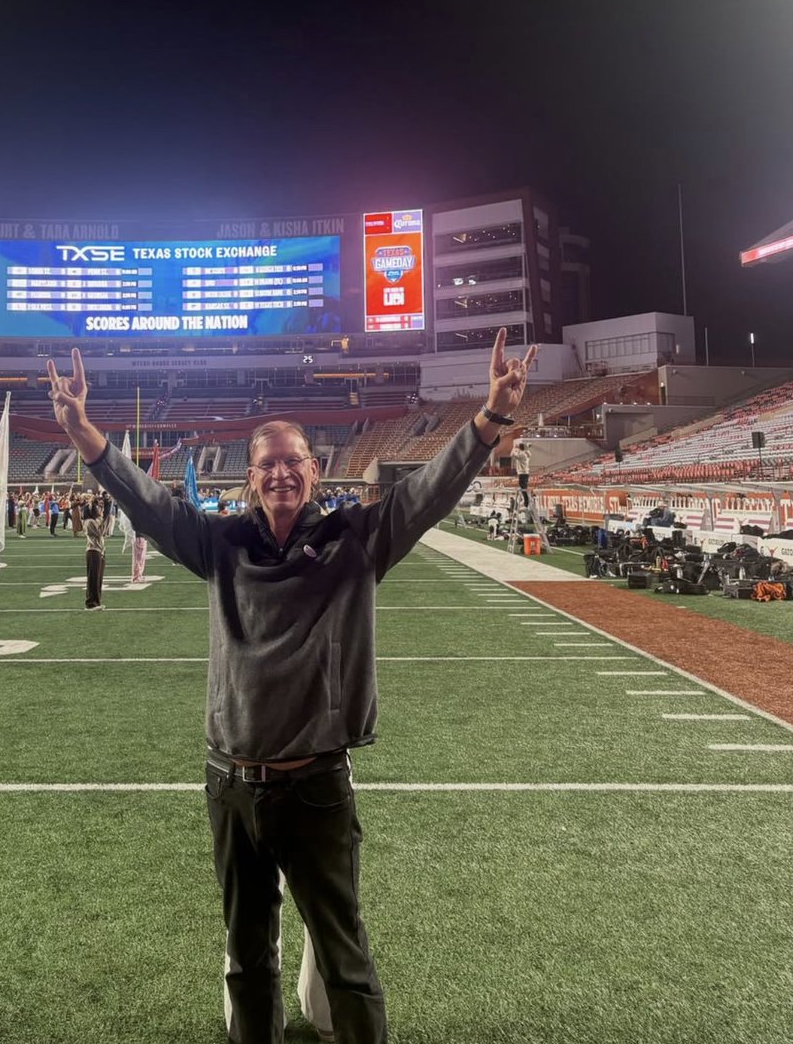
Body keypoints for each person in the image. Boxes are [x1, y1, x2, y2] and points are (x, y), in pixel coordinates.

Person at [46, 328, 536, 1044]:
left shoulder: (355, 538)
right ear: (250, 476)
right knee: (246, 958)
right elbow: (149, 502)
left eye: (293, 462)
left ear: (314, 468)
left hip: (314, 784)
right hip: (230, 782)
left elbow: (427, 494)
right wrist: (85, 432)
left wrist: (488, 418)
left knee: (345, 958)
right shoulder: (220, 545)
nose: (281, 474)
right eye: (267, 464)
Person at [84, 515, 106, 609]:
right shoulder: (89, 521)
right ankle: (91, 603)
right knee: (93, 578)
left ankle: (97, 601)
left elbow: (105, 532)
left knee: (98, 579)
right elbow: (99, 533)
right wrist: (103, 519)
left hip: (99, 551)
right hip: (93, 551)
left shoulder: (96, 520)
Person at [510, 438, 531, 506]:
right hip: (525, 473)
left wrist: (514, 448)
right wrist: (526, 448)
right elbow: (526, 451)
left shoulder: (522, 455)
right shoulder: (526, 453)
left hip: (523, 473)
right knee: (523, 487)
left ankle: (526, 502)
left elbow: (512, 455)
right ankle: (526, 501)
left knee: (523, 488)